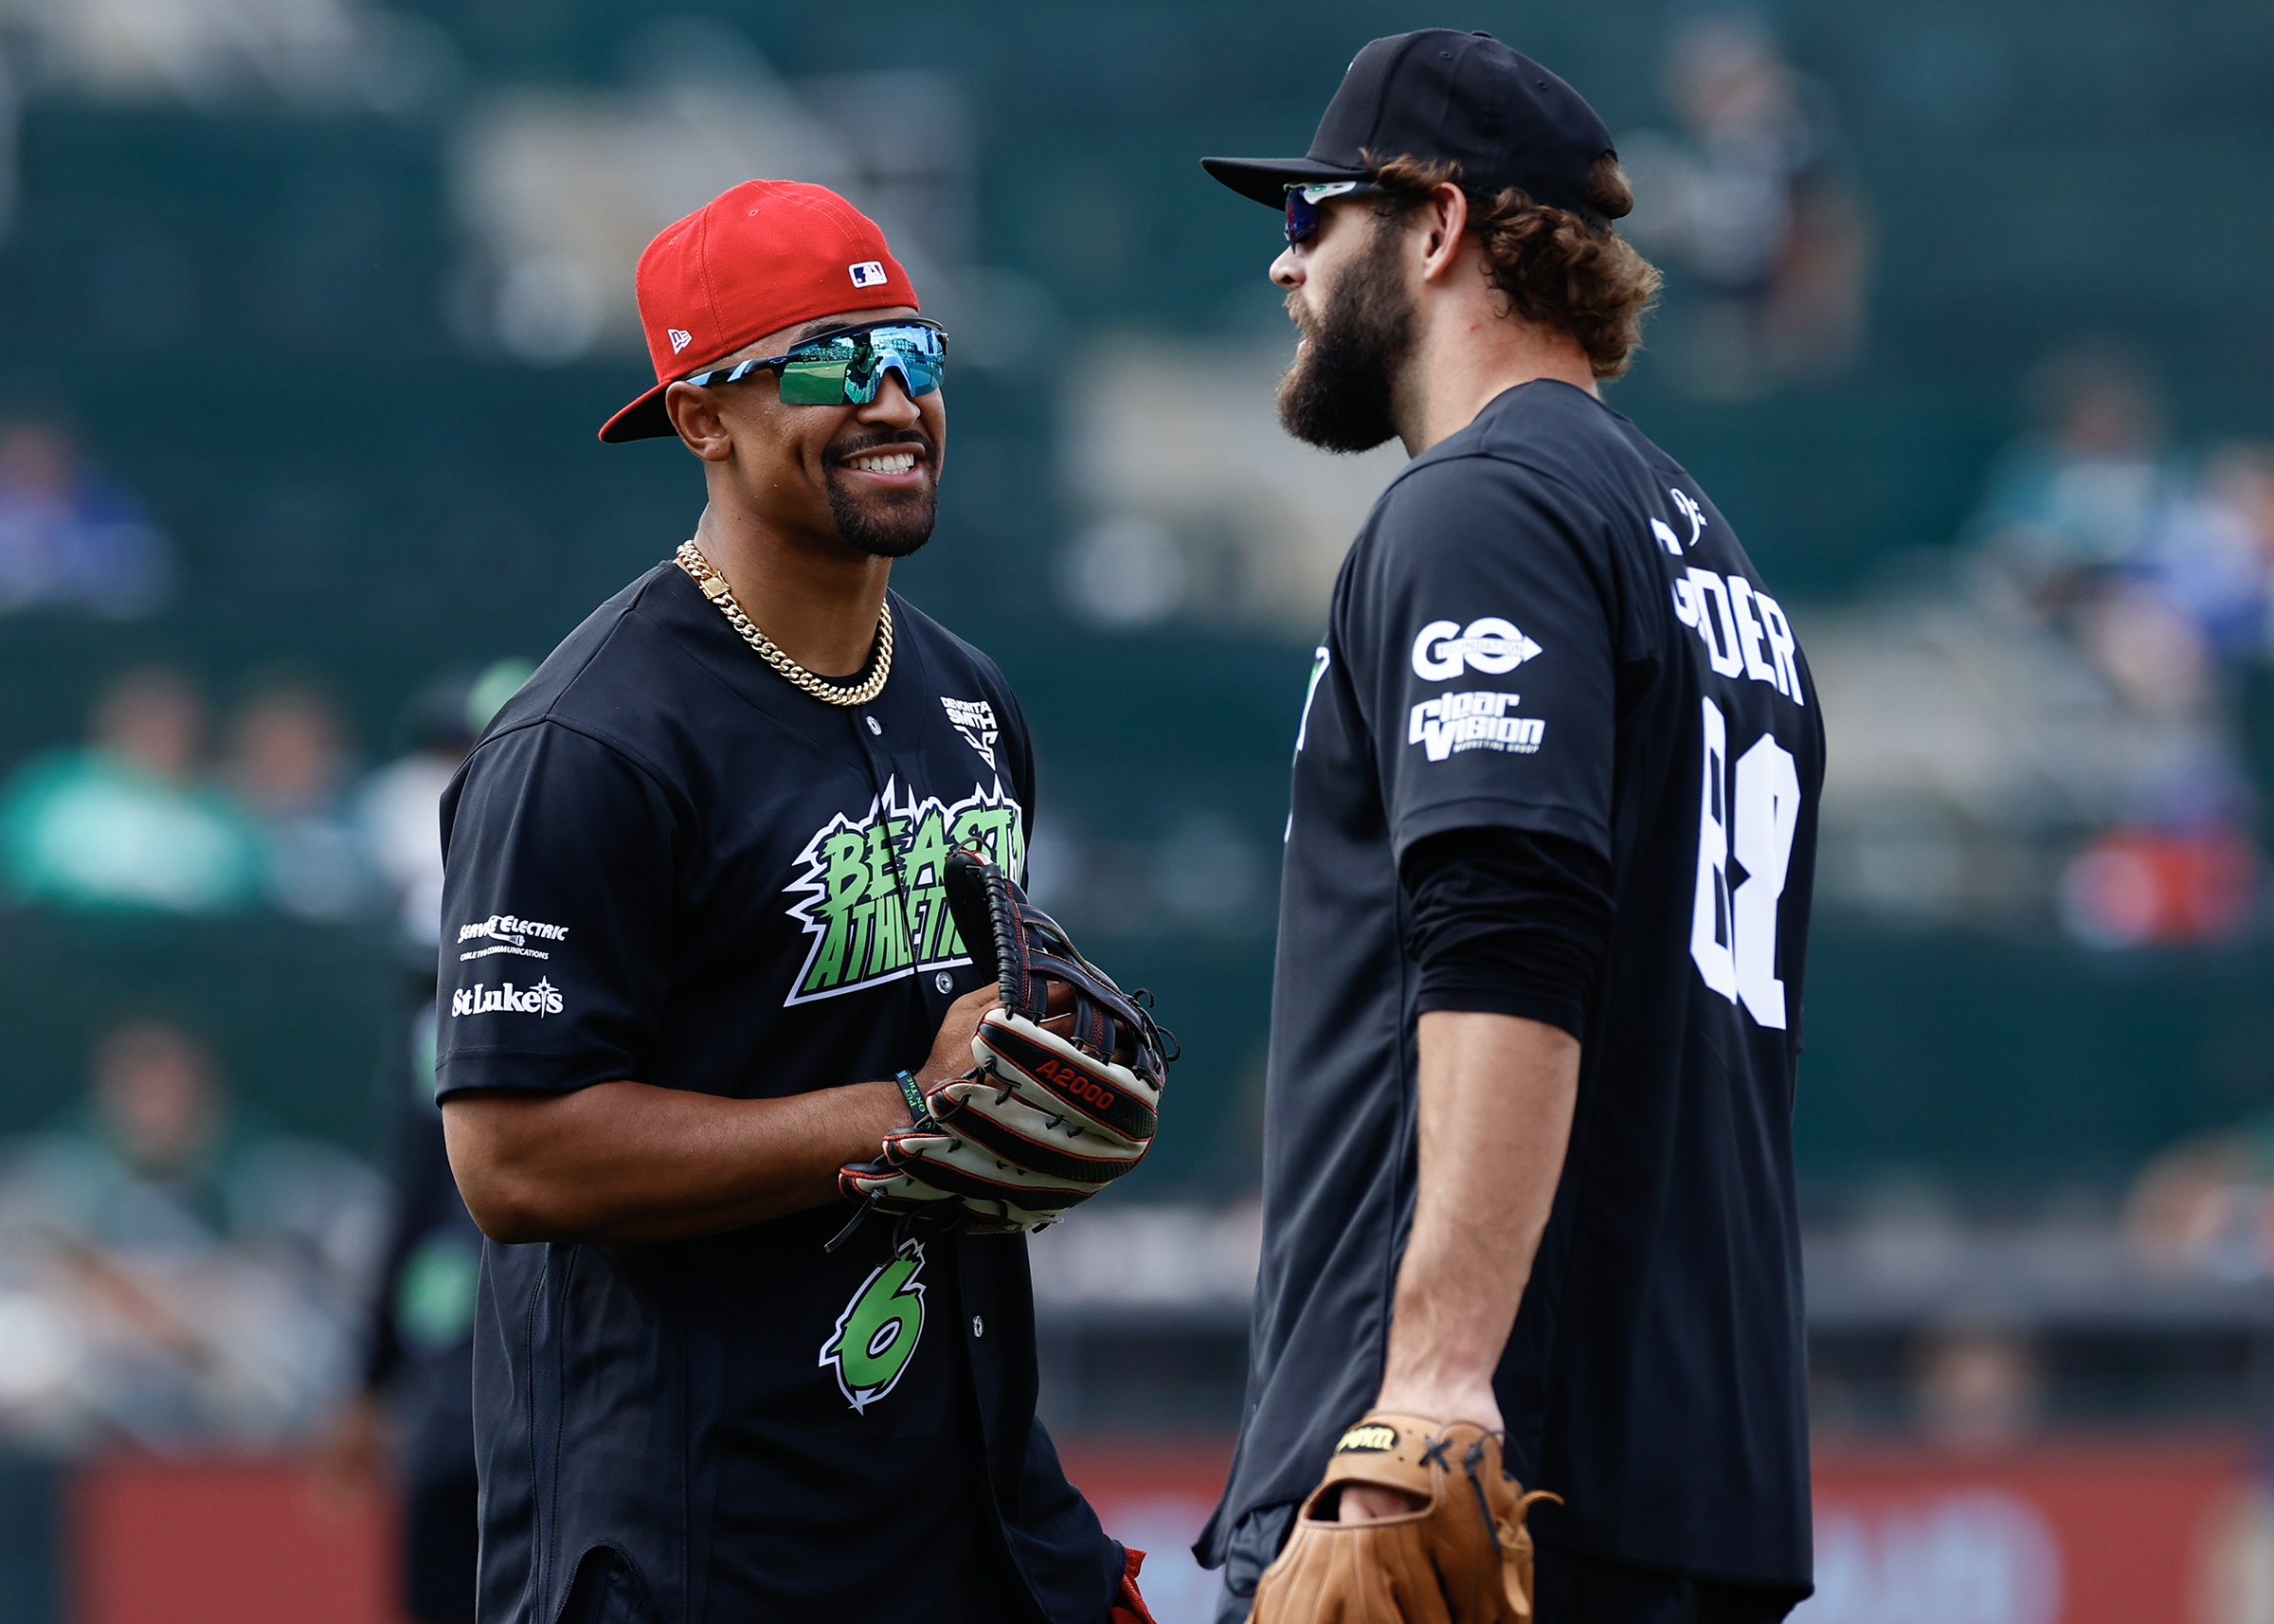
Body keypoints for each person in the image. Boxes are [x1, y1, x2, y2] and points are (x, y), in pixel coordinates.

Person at [435, 181, 1153, 1624]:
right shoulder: (592, 742)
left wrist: (1038, 1058)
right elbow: (511, 1160)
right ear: (703, 416)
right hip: (700, 1529)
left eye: (917, 355)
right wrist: (910, 1107)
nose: (895, 399)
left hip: (965, 1506)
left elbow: (963, 1047)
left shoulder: (968, 697)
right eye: (832, 360)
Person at [1195, 30, 1823, 1623]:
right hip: (1688, 1473)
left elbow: (1508, 931)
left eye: (1312, 214)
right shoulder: (1714, 557)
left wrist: (1433, 1382)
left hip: (1477, 1461)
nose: (1284, 264)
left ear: (1434, 223)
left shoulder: (1484, 508)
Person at [0, 666, 260, 914]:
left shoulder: (224, 818)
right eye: (143, 716)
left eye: (172, 719)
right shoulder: (52, 792)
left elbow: (240, 902)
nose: (157, 730)